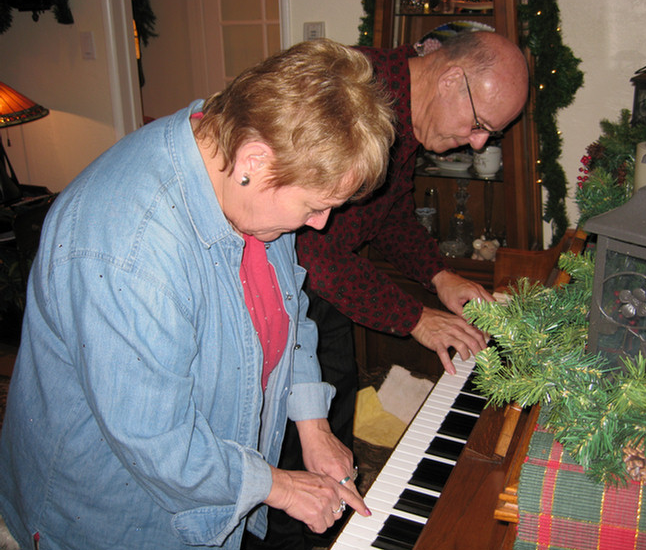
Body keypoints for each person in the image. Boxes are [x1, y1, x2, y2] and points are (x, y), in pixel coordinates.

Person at [0, 39, 395, 550]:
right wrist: (280, 486)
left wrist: (312, 424)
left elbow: (289, 309)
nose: (319, 225)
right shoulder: (128, 247)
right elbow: (159, 443)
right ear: (255, 158)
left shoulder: (245, 174)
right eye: (316, 206)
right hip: (106, 521)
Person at [256, 31, 530, 550]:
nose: (478, 144)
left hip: (324, 288)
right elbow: (307, 247)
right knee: (292, 452)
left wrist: (438, 275)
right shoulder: (352, 93)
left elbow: (389, 214)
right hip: (282, 288)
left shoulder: (408, 115)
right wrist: (415, 318)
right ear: (451, 79)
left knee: (334, 417)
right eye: (479, 126)